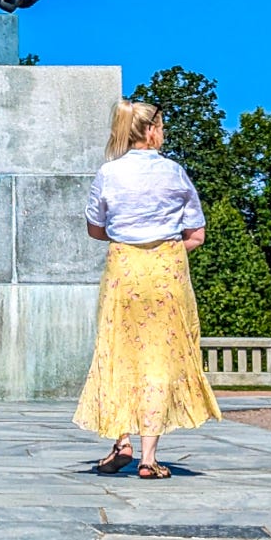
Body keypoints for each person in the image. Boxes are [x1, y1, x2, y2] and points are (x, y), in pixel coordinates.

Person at [73, 99, 221, 479]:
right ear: (152, 131)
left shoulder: (109, 173)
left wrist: (128, 238)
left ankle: (121, 439)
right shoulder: (174, 172)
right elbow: (196, 234)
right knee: (160, 360)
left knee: (117, 353)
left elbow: (94, 228)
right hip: (166, 273)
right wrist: (163, 247)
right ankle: (148, 457)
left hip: (124, 270)